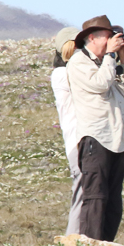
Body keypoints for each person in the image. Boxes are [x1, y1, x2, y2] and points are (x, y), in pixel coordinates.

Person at [67, 15, 124, 242]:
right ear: (91, 37)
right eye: (107, 36)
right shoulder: (78, 63)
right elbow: (99, 84)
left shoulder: (107, 63)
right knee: (95, 197)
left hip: (116, 139)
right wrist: (109, 56)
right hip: (95, 139)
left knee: (113, 201)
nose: (111, 41)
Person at [50, 26, 82, 235]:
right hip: (77, 141)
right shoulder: (62, 73)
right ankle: (74, 239)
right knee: (83, 193)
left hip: (82, 139)